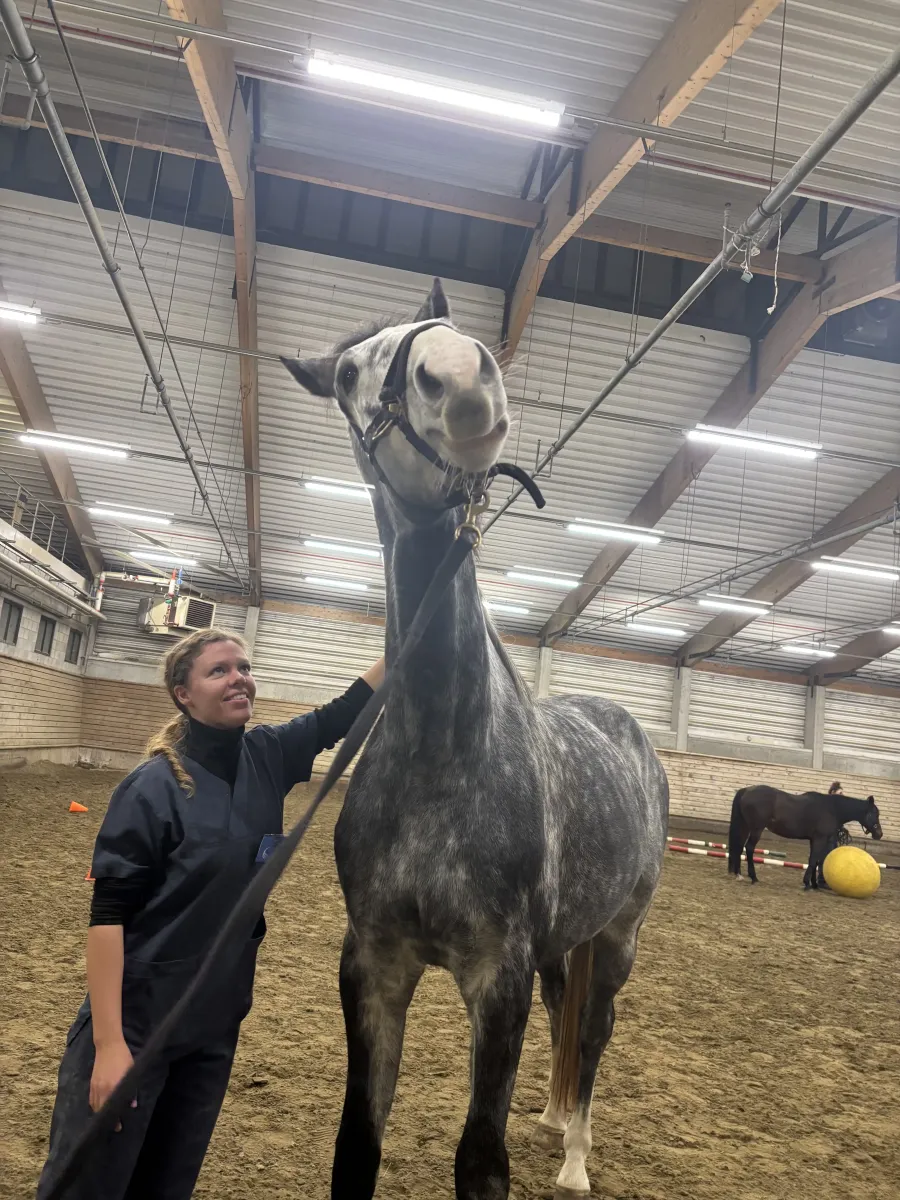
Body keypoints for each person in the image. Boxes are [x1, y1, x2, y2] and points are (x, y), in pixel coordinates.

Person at [37, 626, 385, 1200]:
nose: (238, 678)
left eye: (244, 667)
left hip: (214, 1024)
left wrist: (407, 631)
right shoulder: (150, 788)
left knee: (166, 1184)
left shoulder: (269, 755)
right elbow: (107, 919)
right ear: (183, 694)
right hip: (138, 1022)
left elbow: (343, 712)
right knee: (91, 1186)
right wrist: (109, 1046)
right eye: (218, 670)